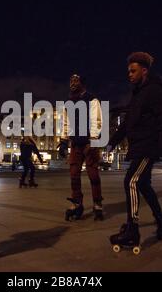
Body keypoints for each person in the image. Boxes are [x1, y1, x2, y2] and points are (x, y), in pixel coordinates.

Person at [107, 52, 162, 253]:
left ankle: (132, 230)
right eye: (128, 71)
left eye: (133, 71)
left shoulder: (155, 91)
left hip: (148, 146)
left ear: (144, 71)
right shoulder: (138, 93)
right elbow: (128, 123)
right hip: (139, 146)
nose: (129, 74)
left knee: (131, 181)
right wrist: (112, 143)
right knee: (144, 185)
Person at [58, 74, 104, 221]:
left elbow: (96, 121)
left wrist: (93, 139)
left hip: (89, 142)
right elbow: (65, 123)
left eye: (75, 80)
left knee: (93, 175)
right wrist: (64, 141)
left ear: (82, 83)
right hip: (76, 144)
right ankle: (77, 203)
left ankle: (97, 204)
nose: (72, 83)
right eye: (70, 80)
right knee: (73, 174)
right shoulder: (68, 103)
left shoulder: (92, 99)